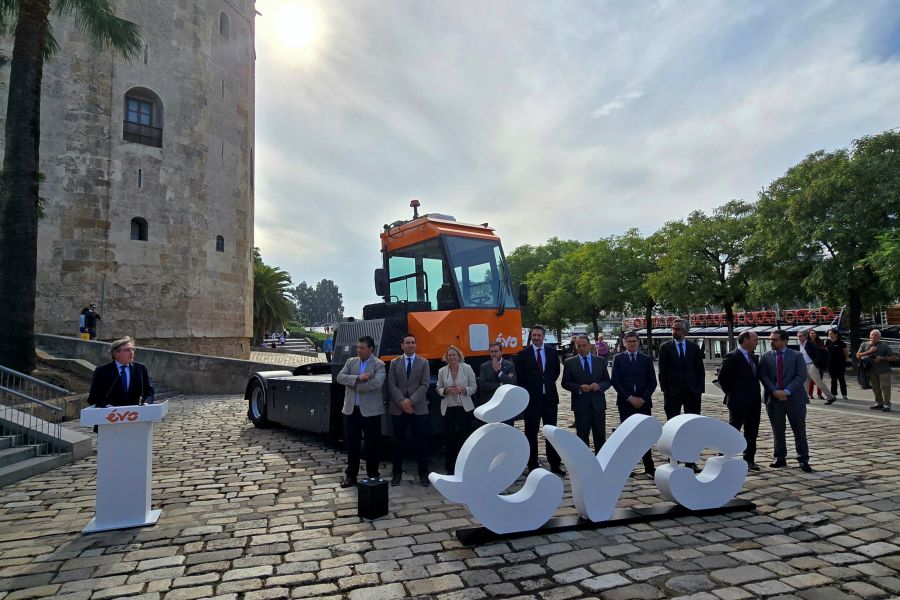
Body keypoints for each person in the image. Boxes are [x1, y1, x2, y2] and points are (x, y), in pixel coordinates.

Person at [336, 336, 386, 488]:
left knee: (372, 445)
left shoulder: (379, 364)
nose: (359, 350)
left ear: (370, 349)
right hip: (351, 411)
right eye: (358, 347)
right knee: (352, 445)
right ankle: (351, 476)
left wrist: (354, 385)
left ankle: (373, 475)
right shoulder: (351, 362)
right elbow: (340, 377)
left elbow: (377, 384)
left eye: (362, 348)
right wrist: (358, 378)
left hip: (371, 413)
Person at [759, 330, 812, 472]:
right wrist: (775, 391)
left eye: (775, 340)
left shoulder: (797, 356)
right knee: (777, 430)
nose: (771, 342)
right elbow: (764, 376)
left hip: (795, 399)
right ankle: (780, 457)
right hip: (774, 399)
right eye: (770, 339)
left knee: (799, 430)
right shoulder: (765, 357)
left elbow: (801, 376)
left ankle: (803, 459)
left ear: (784, 341)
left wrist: (787, 391)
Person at [516, 325, 565, 475]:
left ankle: (555, 463)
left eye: (539, 335)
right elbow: (520, 376)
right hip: (532, 400)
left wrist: (546, 383)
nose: (536, 338)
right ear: (531, 336)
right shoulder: (523, 354)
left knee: (551, 432)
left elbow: (556, 371)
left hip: (549, 399)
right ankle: (532, 464)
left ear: (544, 336)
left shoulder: (551, 352)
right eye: (534, 335)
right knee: (531, 432)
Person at [610, 330, 657, 477]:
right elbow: (615, 381)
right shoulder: (618, 359)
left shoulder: (646, 359)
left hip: (644, 403)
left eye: (634, 341)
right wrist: (630, 397)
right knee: (627, 437)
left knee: (645, 436)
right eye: (628, 341)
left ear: (638, 342)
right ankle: (627, 467)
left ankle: (649, 466)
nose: (631, 343)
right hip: (626, 402)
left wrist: (642, 398)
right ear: (624, 343)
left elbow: (652, 382)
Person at [388, 334, 430, 487]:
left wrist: (411, 401)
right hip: (398, 409)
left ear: (416, 345)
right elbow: (391, 385)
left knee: (421, 442)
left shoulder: (424, 363)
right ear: (402, 345)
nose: (410, 345)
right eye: (407, 343)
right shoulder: (394, 363)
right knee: (397, 442)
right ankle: (396, 473)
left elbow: (425, 385)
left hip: (418, 409)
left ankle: (423, 474)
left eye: (413, 342)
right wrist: (403, 402)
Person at [717, 331, 761, 471]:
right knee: (734, 429)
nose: (757, 342)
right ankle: (725, 455)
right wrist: (733, 394)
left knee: (752, 431)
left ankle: (749, 459)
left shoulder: (753, 357)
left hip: (754, 401)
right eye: (755, 339)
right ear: (745, 340)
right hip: (738, 401)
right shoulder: (732, 356)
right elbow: (723, 379)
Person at [562, 334, 612, 454]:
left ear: (590, 346)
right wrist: (578, 387)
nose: (582, 348)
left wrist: (599, 386)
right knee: (582, 436)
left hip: (598, 404)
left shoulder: (600, 361)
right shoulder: (569, 362)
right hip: (580, 404)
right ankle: (584, 463)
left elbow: (607, 381)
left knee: (600, 435)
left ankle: (601, 461)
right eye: (579, 346)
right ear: (575, 347)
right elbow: (565, 382)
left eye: (584, 345)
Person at [436, 345, 477, 474]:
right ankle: (450, 468)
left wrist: (463, 390)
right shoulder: (442, 371)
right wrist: (446, 391)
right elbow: (438, 388)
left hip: (464, 408)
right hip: (449, 408)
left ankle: (466, 466)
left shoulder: (467, 368)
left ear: (459, 356)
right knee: (450, 439)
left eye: (454, 355)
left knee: (464, 437)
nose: (452, 357)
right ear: (446, 358)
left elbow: (474, 387)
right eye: (449, 355)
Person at [87, 336, 155, 407]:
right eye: (127, 350)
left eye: (132, 349)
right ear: (116, 354)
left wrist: (146, 403)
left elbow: (148, 392)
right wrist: (106, 406)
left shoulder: (140, 369)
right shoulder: (102, 371)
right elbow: (93, 398)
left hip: (133, 415)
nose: (131, 352)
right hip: (110, 415)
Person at [856, 329, 897, 412]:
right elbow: (858, 355)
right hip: (871, 370)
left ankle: (887, 404)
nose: (873, 337)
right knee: (875, 388)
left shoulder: (884, 345)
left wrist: (882, 358)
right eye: (872, 335)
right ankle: (879, 403)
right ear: (869, 336)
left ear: (879, 337)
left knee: (885, 387)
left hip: (883, 370)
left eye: (875, 335)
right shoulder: (864, 344)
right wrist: (869, 351)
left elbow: (893, 357)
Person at [478, 342, 517, 423]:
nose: (493, 354)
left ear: (501, 352)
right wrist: (501, 384)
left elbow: (512, 383)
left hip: (505, 404)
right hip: (490, 404)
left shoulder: (509, 365)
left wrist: (499, 372)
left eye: (496, 351)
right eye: (491, 352)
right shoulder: (484, 366)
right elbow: (483, 385)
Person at [797, 330, 835, 404]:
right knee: (805, 382)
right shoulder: (800, 345)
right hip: (805, 365)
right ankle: (804, 398)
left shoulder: (811, 344)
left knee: (818, 382)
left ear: (805, 336)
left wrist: (815, 363)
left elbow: (819, 354)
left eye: (801, 336)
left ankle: (830, 396)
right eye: (798, 336)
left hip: (812, 365)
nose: (799, 337)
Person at [825, 329, 849, 401]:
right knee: (833, 379)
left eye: (831, 334)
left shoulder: (841, 343)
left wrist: (846, 360)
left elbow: (846, 352)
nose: (830, 335)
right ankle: (833, 393)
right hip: (830, 363)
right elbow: (826, 351)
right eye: (829, 334)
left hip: (840, 363)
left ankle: (844, 394)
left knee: (841, 379)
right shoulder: (828, 342)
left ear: (836, 334)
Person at [805, 329, 829, 400]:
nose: (813, 334)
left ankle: (819, 394)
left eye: (814, 333)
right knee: (810, 380)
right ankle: (810, 394)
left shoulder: (819, 342)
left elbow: (823, 351)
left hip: (819, 363)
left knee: (819, 379)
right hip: (811, 363)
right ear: (809, 334)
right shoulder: (807, 343)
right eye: (811, 333)